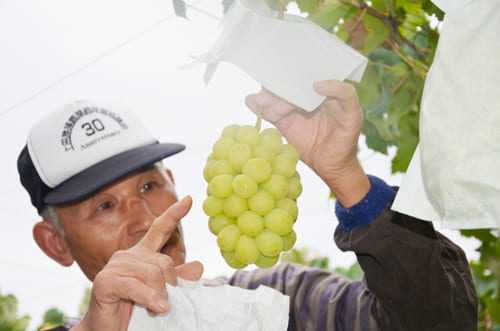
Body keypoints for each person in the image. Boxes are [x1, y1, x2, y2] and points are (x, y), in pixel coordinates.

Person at [17, 80, 477, 331]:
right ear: (55, 244)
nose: (145, 219)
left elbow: (438, 324)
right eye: (103, 207)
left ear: (174, 184)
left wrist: (348, 180)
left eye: (148, 187)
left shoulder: (282, 303)